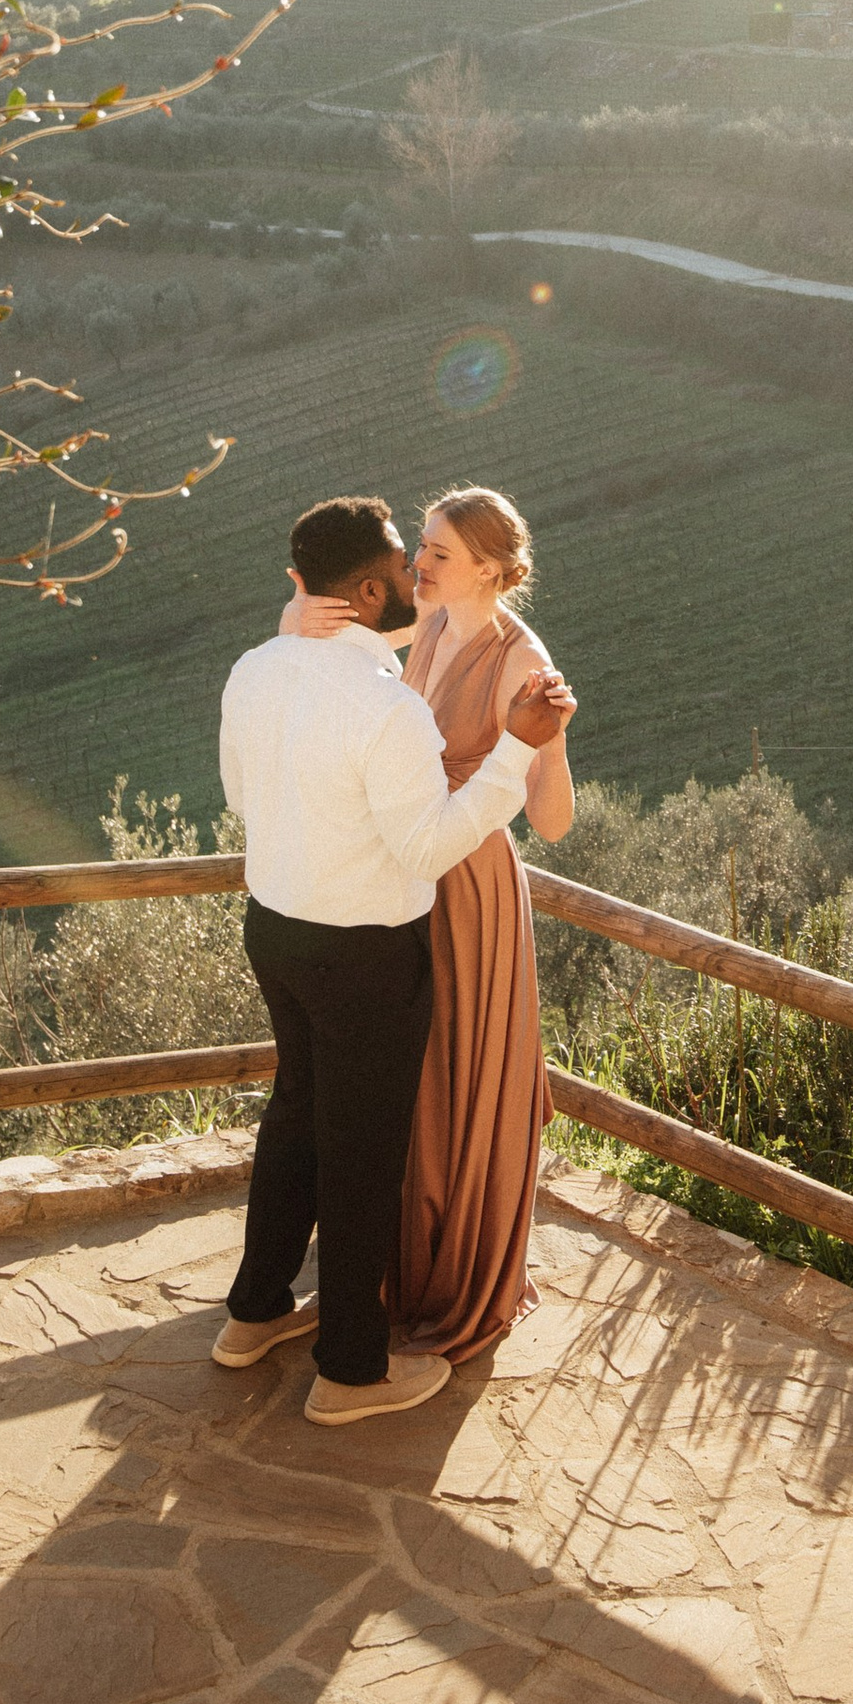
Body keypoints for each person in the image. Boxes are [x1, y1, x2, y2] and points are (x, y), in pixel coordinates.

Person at [213, 491, 573, 1423]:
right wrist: (512, 755)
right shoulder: (388, 710)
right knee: (364, 1151)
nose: (419, 570)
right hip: (365, 951)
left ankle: (252, 1315)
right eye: (406, 560)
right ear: (370, 591)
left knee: (293, 1114)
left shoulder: (256, 667)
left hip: (275, 929)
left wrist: (293, 629)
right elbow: (423, 850)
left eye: (433, 554)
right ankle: (351, 1372)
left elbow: (242, 795)